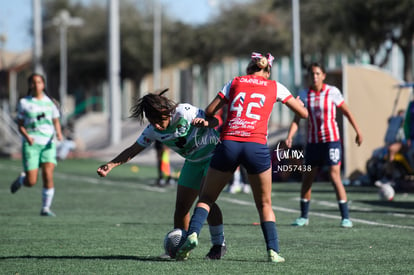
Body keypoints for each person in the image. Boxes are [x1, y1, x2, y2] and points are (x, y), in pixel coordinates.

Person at [176, 52, 308, 262]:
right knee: (264, 204)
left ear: (248, 68)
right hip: (255, 146)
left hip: (228, 143)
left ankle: (192, 235)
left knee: (207, 198)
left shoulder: (235, 82)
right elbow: (303, 114)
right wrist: (299, 104)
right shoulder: (276, 86)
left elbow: (210, 110)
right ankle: (273, 251)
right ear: (268, 70)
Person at [96, 89, 227, 259]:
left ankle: (219, 244)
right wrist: (111, 165)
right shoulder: (153, 130)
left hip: (213, 156)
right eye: (152, 121)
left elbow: (215, 120)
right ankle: (180, 249)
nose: (157, 125)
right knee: (181, 207)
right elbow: (133, 149)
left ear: (166, 111)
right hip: (193, 163)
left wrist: (205, 123)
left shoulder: (184, 112)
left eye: (159, 119)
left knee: (205, 198)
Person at [285, 62, 363, 228]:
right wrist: (290, 136)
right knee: (307, 179)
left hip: (331, 141)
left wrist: (358, 131)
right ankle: (304, 216)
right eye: (312, 74)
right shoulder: (304, 95)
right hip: (313, 143)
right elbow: (296, 120)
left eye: (318, 73)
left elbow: (347, 112)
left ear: (323, 76)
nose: (315, 76)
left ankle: (345, 217)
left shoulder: (333, 92)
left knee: (334, 176)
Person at [10, 73, 63, 217]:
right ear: (30, 85)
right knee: (31, 181)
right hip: (31, 144)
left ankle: (45, 208)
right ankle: (22, 179)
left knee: (48, 175)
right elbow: (20, 125)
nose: (36, 85)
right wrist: (27, 137)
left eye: (39, 82)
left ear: (43, 85)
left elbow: (56, 121)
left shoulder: (50, 103)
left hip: (48, 144)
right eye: (33, 82)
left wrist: (59, 133)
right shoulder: (24, 103)